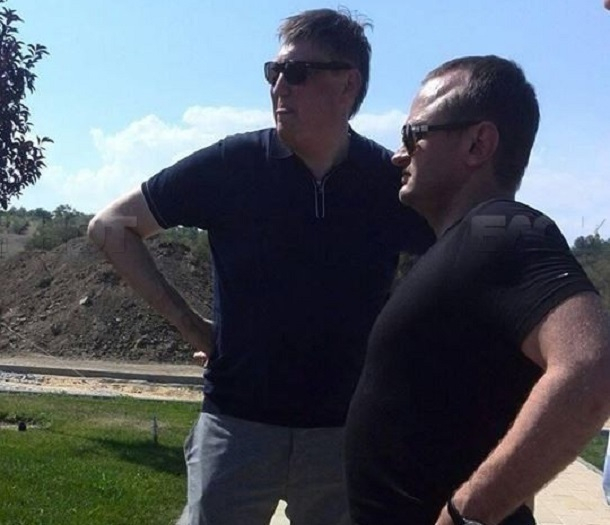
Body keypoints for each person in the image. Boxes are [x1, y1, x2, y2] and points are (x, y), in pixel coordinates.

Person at [88, 8, 433, 525]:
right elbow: (111, 227)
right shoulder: (233, 166)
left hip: (345, 434)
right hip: (236, 426)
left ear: (348, 84)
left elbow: (459, 255)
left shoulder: (388, 182)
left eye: (297, 72)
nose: (279, 86)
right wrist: (191, 326)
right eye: (274, 72)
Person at [345, 55, 610, 525]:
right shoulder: (468, 247)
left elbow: (592, 367)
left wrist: (468, 514)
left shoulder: (502, 228)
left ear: (478, 144)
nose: (398, 154)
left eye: (413, 134)